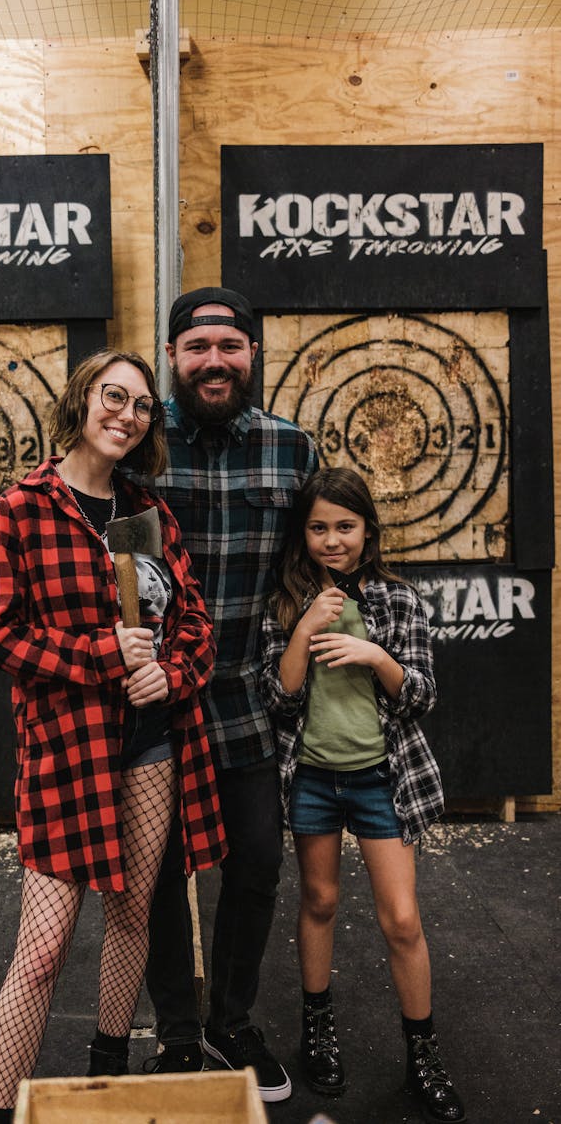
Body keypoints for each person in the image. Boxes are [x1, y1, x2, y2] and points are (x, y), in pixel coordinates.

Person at [0, 349, 227, 1122]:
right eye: (113, 397)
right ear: (81, 401)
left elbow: (193, 627)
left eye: (142, 404)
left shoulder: (144, 514)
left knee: (132, 914)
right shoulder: (23, 507)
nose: (127, 413)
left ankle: (105, 1075)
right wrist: (98, 656)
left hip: (149, 740)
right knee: (42, 949)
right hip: (66, 748)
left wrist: (170, 676)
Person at [140, 287, 318, 1103]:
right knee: (158, 871)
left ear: (253, 354)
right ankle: (178, 1032)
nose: (214, 359)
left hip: (246, 695)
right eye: (197, 345)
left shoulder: (292, 448)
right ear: (173, 355)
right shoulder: (137, 443)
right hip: (152, 703)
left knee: (255, 865)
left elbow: (310, 566)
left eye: (231, 345)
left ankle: (232, 1020)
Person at [260, 466, 465, 1123]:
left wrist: (374, 654)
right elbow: (280, 700)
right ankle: (317, 1030)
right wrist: (303, 628)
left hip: (384, 780)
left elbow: (420, 697)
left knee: (401, 918)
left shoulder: (398, 600)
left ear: (367, 531)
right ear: (304, 533)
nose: (331, 539)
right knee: (318, 900)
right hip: (314, 778)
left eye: (344, 526)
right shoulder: (289, 599)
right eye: (318, 527)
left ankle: (423, 1055)